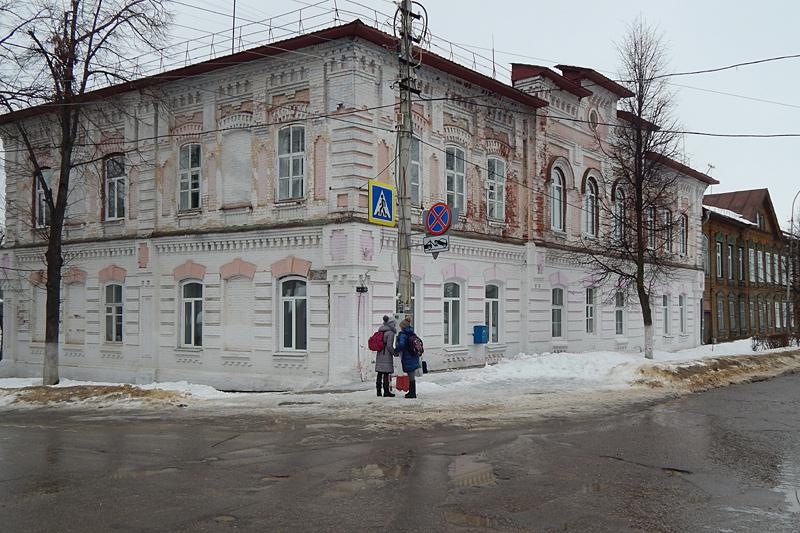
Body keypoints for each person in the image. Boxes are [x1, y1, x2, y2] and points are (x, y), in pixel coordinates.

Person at [395, 317, 419, 399]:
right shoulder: (412, 333)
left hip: (408, 355)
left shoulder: (403, 334)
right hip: (414, 355)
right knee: (411, 374)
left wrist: (396, 350)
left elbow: (401, 345)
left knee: (410, 374)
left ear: (402, 326)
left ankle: (412, 393)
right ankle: (412, 392)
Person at [374, 315, 397, 397]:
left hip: (379, 354)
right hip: (386, 355)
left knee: (379, 374)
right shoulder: (390, 333)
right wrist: (395, 353)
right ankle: (386, 392)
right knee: (386, 374)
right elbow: (389, 346)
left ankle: (378, 392)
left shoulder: (381, 330)